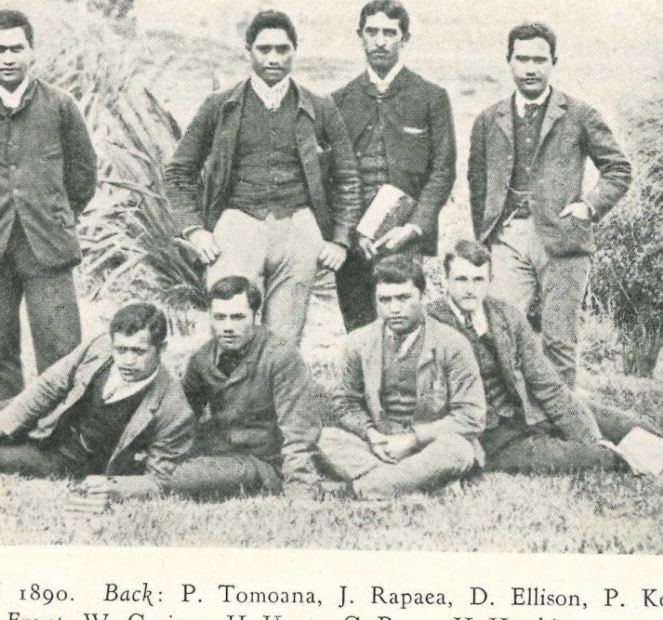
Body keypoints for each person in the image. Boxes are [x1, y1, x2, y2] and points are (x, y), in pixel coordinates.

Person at [164, 10, 361, 344]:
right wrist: (195, 230)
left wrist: (340, 239)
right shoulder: (220, 104)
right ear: (248, 52)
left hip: (298, 226)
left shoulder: (319, 105)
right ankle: (229, 395)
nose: (273, 58)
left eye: (283, 49)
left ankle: (276, 395)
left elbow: (348, 177)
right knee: (230, 327)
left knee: (283, 341)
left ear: (294, 52)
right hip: (238, 223)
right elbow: (178, 171)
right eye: (264, 49)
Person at [0, 10, 97, 401]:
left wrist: (58, 213)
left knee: (61, 348)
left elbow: (83, 172)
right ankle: (10, 430)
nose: (8, 58)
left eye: (16, 49)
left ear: (32, 52)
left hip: (47, 246)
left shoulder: (61, 106)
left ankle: (59, 430)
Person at [0, 303, 196, 504]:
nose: (127, 360)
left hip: (67, 458)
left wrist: (114, 488)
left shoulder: (173, 408)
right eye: (121, 349)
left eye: (138, 352)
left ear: (161, 348)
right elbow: (51, 385)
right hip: (48, 418)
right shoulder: (100, 346)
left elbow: (159, 481)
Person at [467, 22, 632, 387]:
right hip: (508, 238)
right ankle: (510, 419)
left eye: (539, 60)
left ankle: (564, 430)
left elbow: (618, 169)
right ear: (508, 61)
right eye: (522, 58)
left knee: (559, 343)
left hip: (563, 239)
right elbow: (477, 183)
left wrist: (587, 207)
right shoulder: (487, 120)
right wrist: (484, 240)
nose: (530, 68)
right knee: (500, 334)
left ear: (553, 62)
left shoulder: (579, 114)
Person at [427, 240, 663, 473]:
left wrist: (589, 435)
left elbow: (546, 384)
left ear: (490, 281)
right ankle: (617, 459)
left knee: (640, 429)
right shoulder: (431, 322)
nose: (470, 289)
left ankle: (635, 447)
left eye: (478, 279)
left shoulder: (506, 316)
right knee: (586, 457)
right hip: (491, 436)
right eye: (461, 279)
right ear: (446, 281)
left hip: (527, 408)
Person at [332, 0, 456, 331]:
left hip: (405, 240)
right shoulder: (338, 101)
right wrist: (348, 233)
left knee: (404, 328)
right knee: (359, 332)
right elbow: (329, 177)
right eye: (372, 32)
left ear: (405, 39)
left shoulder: (431, 98)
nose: (381, 41)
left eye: (390, 32)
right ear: (360, 37)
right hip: (355, 244)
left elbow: (443, 170)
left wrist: (414, 227)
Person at [318, 256, 485, 497]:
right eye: (385, 300)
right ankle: (419, 482)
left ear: (423, 297)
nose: (394, 309)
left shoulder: (453, 344)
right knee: (322, 438)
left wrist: (412, 439)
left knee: (458, 450)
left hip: (430, 445)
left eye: (404, 298)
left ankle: (358, 490)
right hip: (380, 446)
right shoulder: (359, 342)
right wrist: (372, 435)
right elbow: (344, 403)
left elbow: (471, 417)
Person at [170, 276, 326, 498]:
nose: (228, 327)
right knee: (163, 466)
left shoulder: (280, 356)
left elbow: (298, 430)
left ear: (256, 316)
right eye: (219, 318)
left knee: (185, 478)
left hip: (266, 461)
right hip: (221, 452)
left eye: (237, 317)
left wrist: (300, 491)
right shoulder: (202, 358)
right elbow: (182, 418)